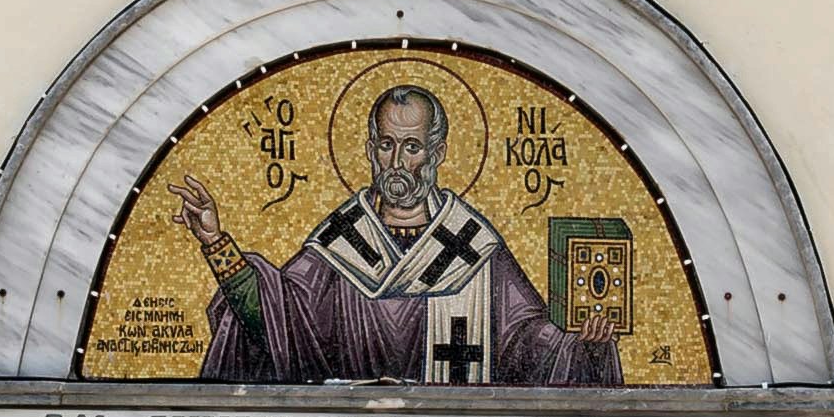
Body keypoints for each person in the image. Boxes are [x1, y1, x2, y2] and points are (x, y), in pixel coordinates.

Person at [176, 84, 619, 385]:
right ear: (371, 150)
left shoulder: (473, 246)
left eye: (412, 147)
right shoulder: (340, 241)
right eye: (386, 145)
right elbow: (278, 319)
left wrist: (586, 348)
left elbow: (525, 342)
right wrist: (216, 242)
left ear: (436, 152)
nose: (396, 162)